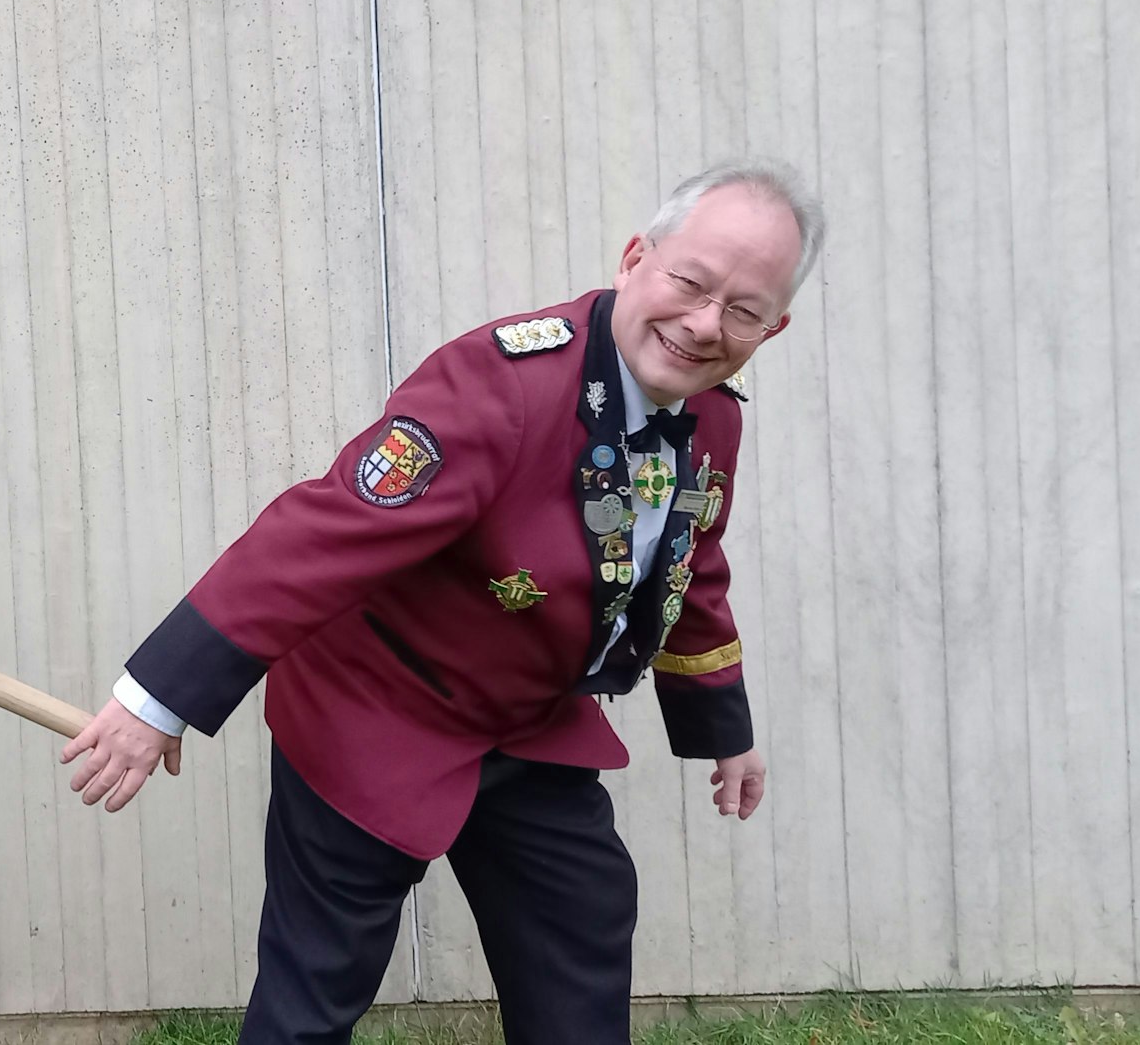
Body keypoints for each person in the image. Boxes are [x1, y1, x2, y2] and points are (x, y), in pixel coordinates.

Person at [62, 159, 825, 1044]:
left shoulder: (714, 418)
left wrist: (722, 728)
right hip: (375, 710)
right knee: (319, 984)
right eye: (691, 283)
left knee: (583, 924)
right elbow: (326, 530)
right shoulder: (502, 383)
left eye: (742, 308)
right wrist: (157, 701)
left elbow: (687, 561)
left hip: (530, 720)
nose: (702, 324)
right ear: (635, 258)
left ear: (773, 328)